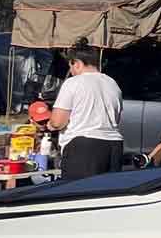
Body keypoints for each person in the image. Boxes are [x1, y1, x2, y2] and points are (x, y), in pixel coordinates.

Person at [48, 45, 126, 180]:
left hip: (84, 148)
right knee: (109, 196)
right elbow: (116, 118)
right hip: (114, 146)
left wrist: (50, 125)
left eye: (71, 67)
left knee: (78, 195)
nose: (71, 71)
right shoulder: (112, 83)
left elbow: (58, 122)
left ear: (77, 63)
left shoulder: (74, 83)